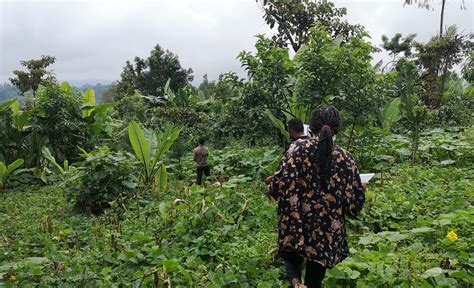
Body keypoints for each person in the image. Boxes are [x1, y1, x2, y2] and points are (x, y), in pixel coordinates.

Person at [266, 106, 366, 288]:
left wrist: (272, 186)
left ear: (310, 127)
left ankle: (296, 283)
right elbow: (354, 205)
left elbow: (277, 185)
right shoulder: (345, 158)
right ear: (337, 129)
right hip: (325, 233)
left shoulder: (297, 149)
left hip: (296, 224)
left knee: (291, 252)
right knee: (315, 276)